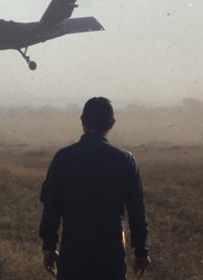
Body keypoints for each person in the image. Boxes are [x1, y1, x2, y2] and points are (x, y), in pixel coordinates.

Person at [39, 97, 151, 279]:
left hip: (73, 252)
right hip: (110, 253)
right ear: (112, 123)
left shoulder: (63, 158)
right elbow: (136, 210)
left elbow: (51, 206)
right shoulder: (125, 161)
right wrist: (141, 252)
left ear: (82, 120)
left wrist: (49, 246)